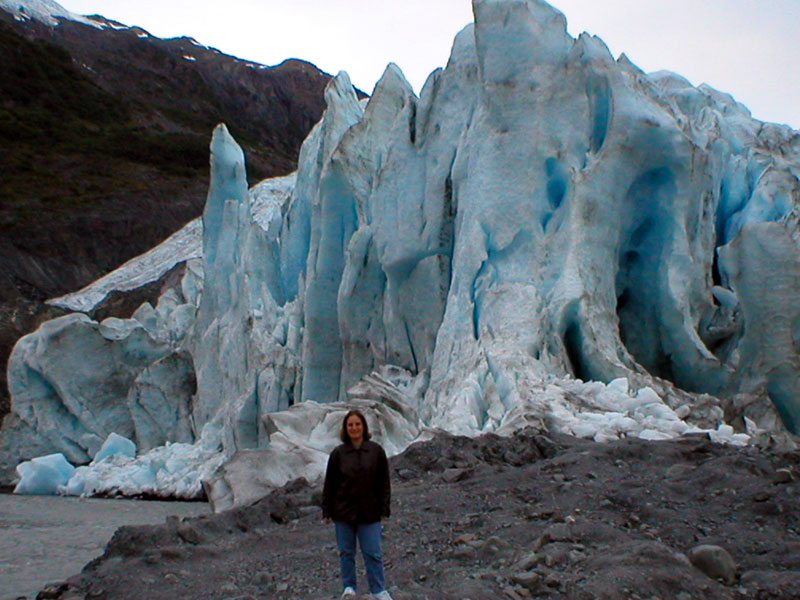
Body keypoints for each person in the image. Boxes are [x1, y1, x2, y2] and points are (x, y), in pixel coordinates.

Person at [322, 409, 393, 600]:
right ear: (346, 428)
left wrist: (385, 507)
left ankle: (378, 590)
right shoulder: (338, 454)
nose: (354, 428)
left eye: (357, 424)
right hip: (343, 512)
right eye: (350, 425)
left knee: (373, 552)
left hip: (369, 511)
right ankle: (349, 588)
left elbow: (383, 481)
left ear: (364, 427)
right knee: (346, 552)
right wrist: (327, 510)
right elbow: (330, 483)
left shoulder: (376, 451)